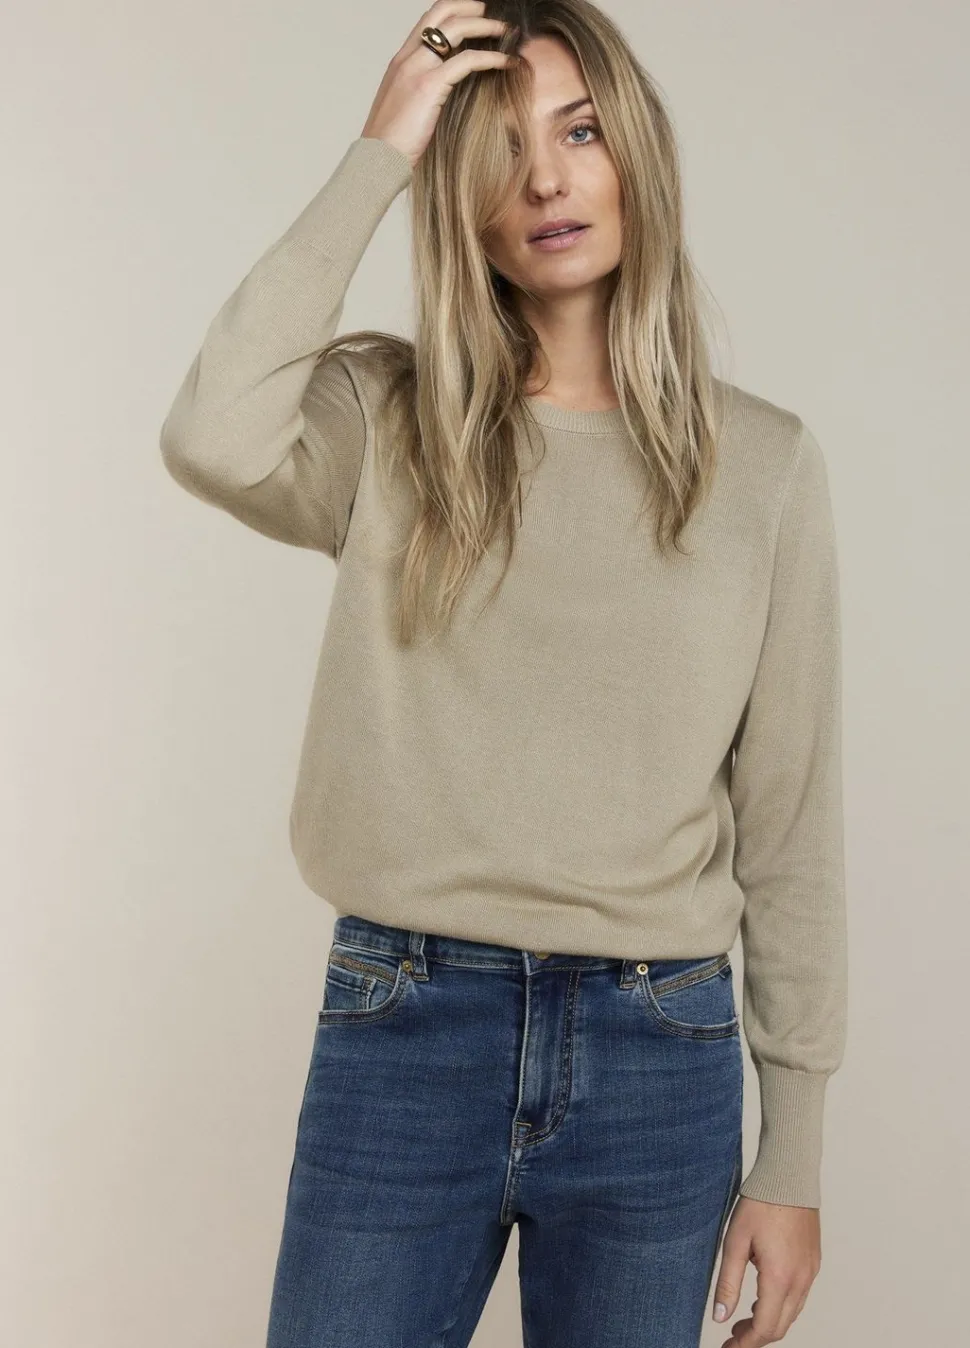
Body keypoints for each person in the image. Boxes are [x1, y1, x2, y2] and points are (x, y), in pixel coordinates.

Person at [158, 3, 846, 1346]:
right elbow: (210, 434)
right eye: (496, 149)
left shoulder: (761, 467)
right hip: (404, 1024)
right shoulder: (385, 422)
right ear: (453, 197)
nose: (543, 180)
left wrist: (794, 1153)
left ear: (636, 151)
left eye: (579, 133)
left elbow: (791, 827)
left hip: (658, 1052)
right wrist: (383, 145)